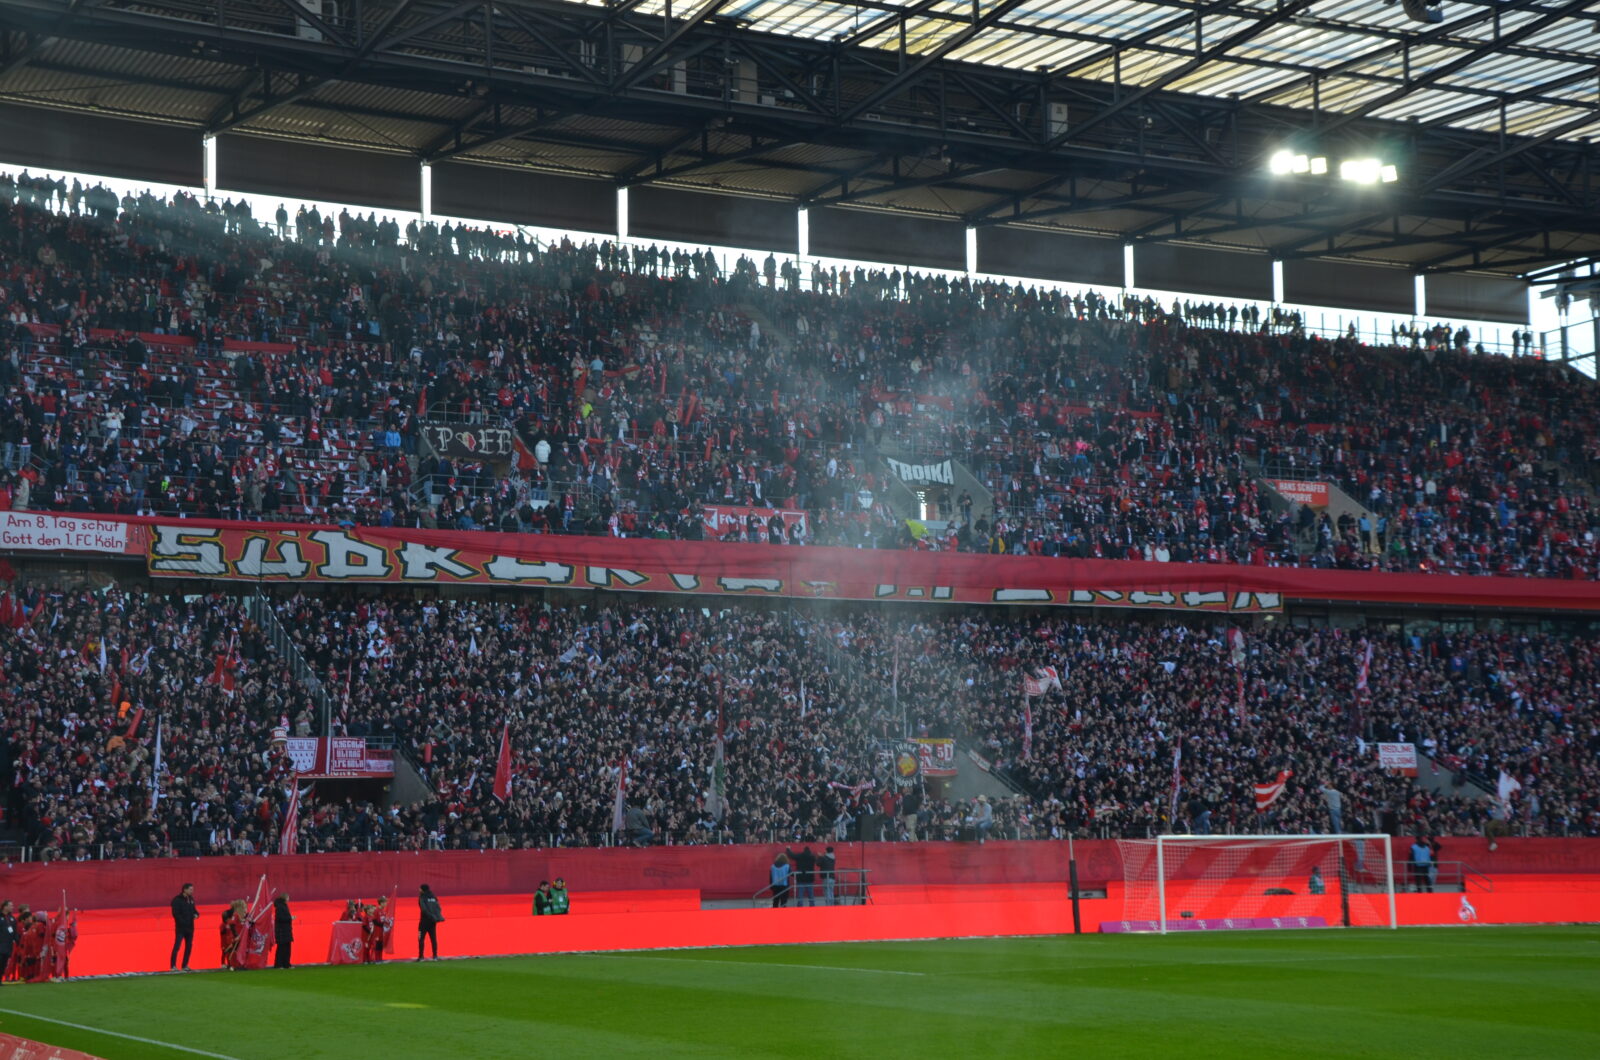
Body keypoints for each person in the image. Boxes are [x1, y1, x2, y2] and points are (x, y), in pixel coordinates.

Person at [170, 882, 198, 971]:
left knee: (189, 946)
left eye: (192, 889)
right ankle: (173, 966)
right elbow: (176, 914)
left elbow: (194, 910)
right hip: (181, 928)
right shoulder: (177, 900)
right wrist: (183, 922)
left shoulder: (191, 899)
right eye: (190, 889)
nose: (192, 891)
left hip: (190, 927)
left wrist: (196, 914)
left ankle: (184, 965)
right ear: (185, 889)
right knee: (177, 946)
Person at [417, 884, 443, 960]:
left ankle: (421, 956)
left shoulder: (422, 897)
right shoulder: (434, 897)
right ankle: (435, 956)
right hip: (433, 921)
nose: (419, 890)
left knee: (421, 938)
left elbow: (423, 909)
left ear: (422, 890)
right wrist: (436, 917)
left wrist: (430, 916)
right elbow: (438, 908)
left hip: (424, 921)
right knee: (433, 939)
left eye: (420, 889)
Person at [273, 894, 294, 969]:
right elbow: (280, 918)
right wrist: (289, 918)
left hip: (285, 930)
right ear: (285, 898)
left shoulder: (282, 906)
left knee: (286, 948)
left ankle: (286, 964)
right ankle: (279, 964)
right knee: (282, 948)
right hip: (282, 931)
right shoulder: (280, 907)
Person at [0, 901, 16, 981]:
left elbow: (15, 931)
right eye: (11, 905)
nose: (12, 907)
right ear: (5, 907)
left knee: (4, 962)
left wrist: (17, 939)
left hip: (8, 945)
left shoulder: (12, 918)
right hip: (1, 944)